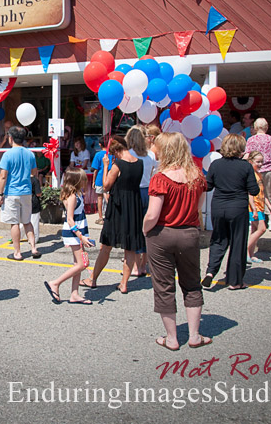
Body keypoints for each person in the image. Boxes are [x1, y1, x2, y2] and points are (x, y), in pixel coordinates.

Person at [142, 132, 211, 350]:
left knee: (164, 285)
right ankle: (194, 335)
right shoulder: (198, 177)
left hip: (162, 233)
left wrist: (144, 230)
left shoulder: (160, 179)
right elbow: (198, 208)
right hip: (189, 233)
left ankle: (171, 338)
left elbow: (153, 214)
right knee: (191, 283)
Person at [80, 135, 146, 293]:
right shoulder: (140, 163)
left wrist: (106, 166)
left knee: (106, 246)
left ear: (117, 150)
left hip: (118, 207)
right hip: (133, 206)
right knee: (129, 247)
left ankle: (92, 279)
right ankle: (124, 284)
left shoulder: (118, 165)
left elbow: (106, 186)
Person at [202, 134, 259, 290]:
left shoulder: (215, 165)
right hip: (238, 207)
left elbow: (208, 186)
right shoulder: (245, 166)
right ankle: (235, 281)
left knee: (218, 240)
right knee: (237, 243)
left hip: (219, 206)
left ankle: (210, 272)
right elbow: (254, 190)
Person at [43, 168, 93, 304]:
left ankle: (74, 294)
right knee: (82, 264)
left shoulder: (77, 193)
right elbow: (70, 219)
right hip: (74, 232)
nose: (85, 181)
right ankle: (56, 283)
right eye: (83, 179)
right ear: (77, 181)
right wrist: (80, 236)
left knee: (78, 263)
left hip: (78, 232)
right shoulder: (72, 197)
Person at [0, 126, 40, 260]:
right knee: (27, 221)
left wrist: (0, 194)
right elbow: (34, 173)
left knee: (14, 223)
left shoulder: (8, 154)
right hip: (26, 192)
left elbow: (3, 176)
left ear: (10, 138)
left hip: (12, 192)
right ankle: (33, 248)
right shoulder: (30, 154)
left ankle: (17, 252)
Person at [127, 126, 157, 274]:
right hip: (148, 191)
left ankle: (135, 266)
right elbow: (154, 172)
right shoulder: (150, 155)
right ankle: (143, 265)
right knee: (146, 229)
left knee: (134, 229)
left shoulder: (129, 154)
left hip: (134, 191)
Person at [244, 118, 271, 231]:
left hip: (256, 171)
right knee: (269, 195)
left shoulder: (251, 140)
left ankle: (256, 219)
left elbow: (247, 155)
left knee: (255, 194)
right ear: (266, 127)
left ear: (255, 127)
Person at [246, 151, 268, 264]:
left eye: (261, 162)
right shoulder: (251, 174)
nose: (260, 164)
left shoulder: (259, 174)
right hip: (254, 207)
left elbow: (263, 192)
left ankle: (251, 254)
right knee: (262, 228)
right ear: (250, 161)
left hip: (260, 206)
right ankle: (245, 250)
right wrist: (254, 208)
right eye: (257, 162)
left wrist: (269, 205)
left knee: (254, 230)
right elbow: (250, 193)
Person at [90, 136, 113, 225]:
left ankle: (100, 217)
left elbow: (95, 169)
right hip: (110, 178)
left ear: (100, 144)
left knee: (99, 198)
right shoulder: (112, 154)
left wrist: (93, 181)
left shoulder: (98, 155)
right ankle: (110, 215)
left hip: (100, 178)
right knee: (109, 196)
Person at [30, 174, 42, 241]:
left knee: (23, 221)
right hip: (34, 201)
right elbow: (38, 193)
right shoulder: (35, 180)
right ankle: (34, 238)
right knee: (34, 221)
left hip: (24, 201)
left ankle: (19, 236)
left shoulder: (22, 178)